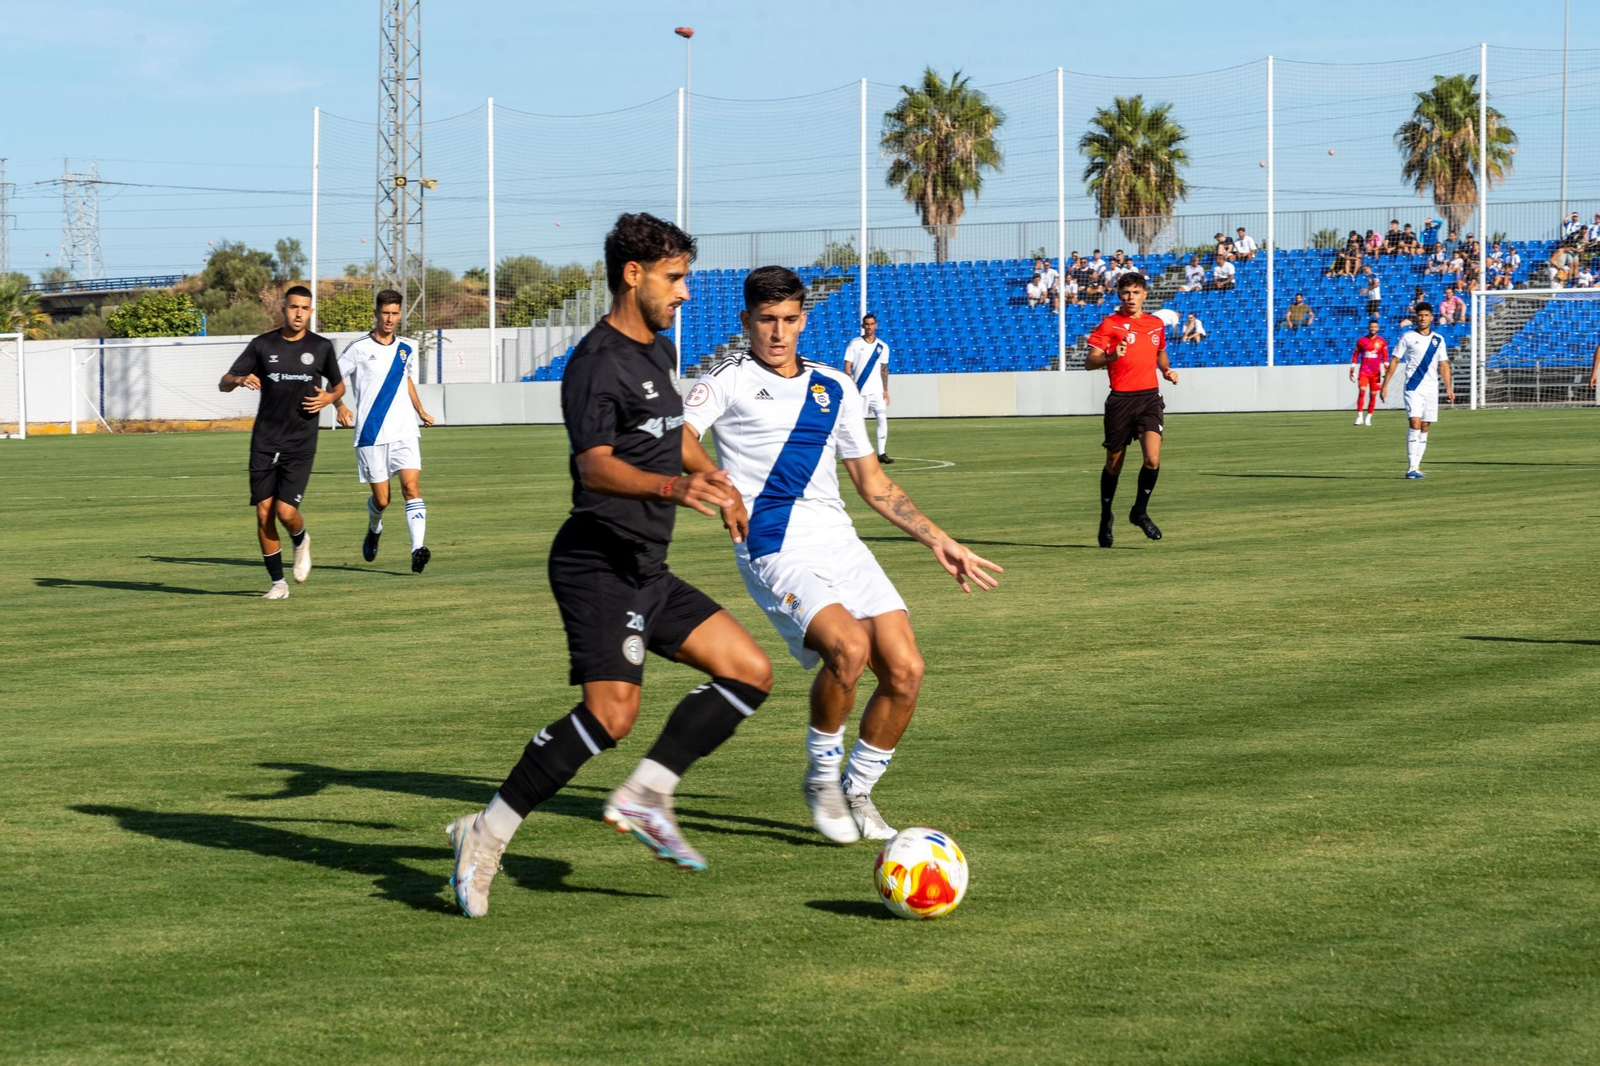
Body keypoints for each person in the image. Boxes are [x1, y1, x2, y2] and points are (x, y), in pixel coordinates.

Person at [443, 213, 775, 918]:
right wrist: (672, 488)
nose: (684, 292)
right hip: (598, 562)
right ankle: (485, 833)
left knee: (750, 671)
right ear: (634, 275)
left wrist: (714, 477)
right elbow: (594, 467)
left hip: (647, 566)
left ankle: (649, 791)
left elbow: (671, 435)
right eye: (674, 277)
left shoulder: (656, 352)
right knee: (611, 714)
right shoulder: (595, 363)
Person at [685, 266, 1001, 844]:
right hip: (772, 544)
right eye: (765, 320)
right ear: (746, 321)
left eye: (788, 320)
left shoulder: (835, 386)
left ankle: (858, 790)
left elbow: (874, 485)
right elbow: (680, 434)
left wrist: (939, 539)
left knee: (906, 671)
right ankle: (822, 777)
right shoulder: (724, 379)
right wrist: (717, 481)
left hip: (841, 542)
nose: (777, 333)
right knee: (849, 649)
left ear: (804, 319)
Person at [218, 285, 344, 599]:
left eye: (304, 308)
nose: (299, 313)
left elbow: (339, 385)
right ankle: (278, 584)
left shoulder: (322, 347)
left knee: (285, 513)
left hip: (300, 442)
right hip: (264, 440)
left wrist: (330, 399)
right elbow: (224, 383)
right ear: (283, 309)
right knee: (263, 514)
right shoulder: (262, 345)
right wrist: (239, 379)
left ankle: (301, 540)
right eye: (293, 307)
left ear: (311, 311)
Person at [333, 289, 435, 573]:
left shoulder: (407, 348)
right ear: (376, 314)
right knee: (382, 499)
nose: (390, 319)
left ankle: (417, 549)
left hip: (404, 431)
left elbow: (407, 381)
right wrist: (340, 406)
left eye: (394, 314)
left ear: (400, 314)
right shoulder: (358, 348)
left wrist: (420, 410)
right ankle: (374, 527)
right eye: (385, 313)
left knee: (411, 488)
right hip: (371, 434)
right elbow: (333, 380)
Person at [1084, 273, 1179, 547]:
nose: (1130, 297)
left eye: (1135, 292)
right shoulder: (1110, 325)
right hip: (1120, 401)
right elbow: (1090, 362)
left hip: (1149, 398)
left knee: (1152, 459)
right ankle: (1105, 516)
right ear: (1119, 295)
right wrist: (1112, 356)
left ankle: (1139, 512)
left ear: (1144, 295)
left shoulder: (1154, 324)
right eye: (1125, 292)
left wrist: (1165, 369)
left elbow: (1160, 350)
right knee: (1114, 464)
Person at [1381, 301, 1454, 480]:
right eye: (1420, 315)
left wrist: (1449, 387)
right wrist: (1385, 385)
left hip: (1431, 388)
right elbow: (1395, 361)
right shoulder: (1407, 337)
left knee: (1425, 426)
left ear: (1431, 317)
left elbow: (1443, 365)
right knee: (1414, 423)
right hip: (1413, 386)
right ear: (1417, 317)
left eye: (1426, 315)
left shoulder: (1438, 340)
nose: (1422, 318)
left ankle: (1417, 466)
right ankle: (1411, 466)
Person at [843, 313, 893, 463]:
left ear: (876, 325)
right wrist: (849, 382)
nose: (869, 327)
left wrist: (885, 390)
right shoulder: (855, 343)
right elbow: (847, 364)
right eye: (867, 324)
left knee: (882, 418)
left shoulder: (882, 346)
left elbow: (884, 369)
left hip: (877, 391)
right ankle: (859, 452)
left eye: (872, 324)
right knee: (859, 422)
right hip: (860, 390)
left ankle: (882, 453)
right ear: (863, 326)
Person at [1349, 320, 1389, 426]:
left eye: (1375, 327)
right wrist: (1352, 369)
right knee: (1361, 393)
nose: (1373, 328)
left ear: (1378, 328)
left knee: (1373, 395)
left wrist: (1386, 368)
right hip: (1364, 372)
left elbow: (1385, 356)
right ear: (1368, 327)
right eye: (1371, 327)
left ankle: (1368, 417)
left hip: (1376, 374)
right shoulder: (1361, 341)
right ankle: (1359, 417)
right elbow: (1355, 355)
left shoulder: (1381, 342)